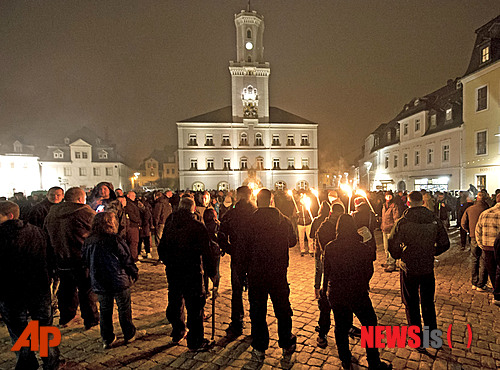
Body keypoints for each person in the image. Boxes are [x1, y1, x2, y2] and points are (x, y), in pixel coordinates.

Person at [323, 214, 391, 370]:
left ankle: (345, 357)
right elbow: (369, 270)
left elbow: (326, 272)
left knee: (341, 325)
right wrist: (363, 282)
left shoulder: (330, 247)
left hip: (337, 293)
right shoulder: (362, 248)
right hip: (357, 292)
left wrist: (325, 289)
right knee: (370, 325)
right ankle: (374, 362)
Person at [0, 201, 60, 369]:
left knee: (19, 329)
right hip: (38, 288)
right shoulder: (37, 231)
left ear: (10, 216)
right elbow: (50, 257)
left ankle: (27, 362)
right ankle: (51, 362)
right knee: (43, 327)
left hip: (10, 291)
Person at [388, 191, 450, 352]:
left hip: (409, 267)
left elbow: (392, 243)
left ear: (408, 202)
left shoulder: (403, 222)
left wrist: (400, 255)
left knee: (411, 303)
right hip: (427, 267)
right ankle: (433, 338)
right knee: (428, 302)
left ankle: (417, 340)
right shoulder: (434, 220)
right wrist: (431, 252)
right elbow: (445, 243)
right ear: (422, 202)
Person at [157, 197, 217, 351]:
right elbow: (207, 252)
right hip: (191, 271)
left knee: (175, 300)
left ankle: (178, 330)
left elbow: (161, 246)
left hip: (173, 270)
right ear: (193, 208)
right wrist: (212, 273)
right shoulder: (196, 225)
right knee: (195, 306)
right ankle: (195, 341)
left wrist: (168, 261)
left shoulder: (171, 221)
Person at [245, 189, 297, 361]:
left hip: (256, 273)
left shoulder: (250, 221)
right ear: (271, 201)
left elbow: (243, 249)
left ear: (257, 201)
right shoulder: (283, 220)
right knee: (282, 309)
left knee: (258, 311)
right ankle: (286, 342)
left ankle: (259, 347)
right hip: (277, 271)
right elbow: (293, 242)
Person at [44, 187, 100, 330]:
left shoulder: (52, 213)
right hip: (81, 258)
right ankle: (91, 319)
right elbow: (98, 231)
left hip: (61, 258)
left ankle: (66, 317)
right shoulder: (85, 212)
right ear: (80, 199)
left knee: (66, 288)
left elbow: (45, 234)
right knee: (86, 290)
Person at [83, 212, 139, 349]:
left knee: (105, 310)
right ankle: (129, 333)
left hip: (100, 280)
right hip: (118, 279)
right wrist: (134, 272)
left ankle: (107, 337)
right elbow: (126, 259)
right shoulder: (115, 239)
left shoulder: (89, 241)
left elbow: (85, 260)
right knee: (124, 308)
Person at [218, 186, 256, 338]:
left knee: (237, 292)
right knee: (254, 292)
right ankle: (256, 324)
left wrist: (229, 249)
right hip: (253, 257)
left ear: (237, 195)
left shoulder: (231, 213)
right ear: (250, 195)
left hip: (239, 256)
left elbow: (221, 234)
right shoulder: (256, 213)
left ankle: (237, 323)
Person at [475, 192, 500, 306]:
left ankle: (496, 291)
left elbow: (477, 231)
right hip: (498, 247)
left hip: (487, 246)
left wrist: (481, 245)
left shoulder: (485, 213)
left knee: (492, 270)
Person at [461, 192, 489, 291]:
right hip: (485, 237)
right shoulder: (487, 209)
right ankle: (481, 283)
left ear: (477, 198)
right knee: (483, 260)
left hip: (473, 237)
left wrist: (469, 231)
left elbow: (463, 223)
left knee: (474, 259)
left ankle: (474, 281)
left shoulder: (470, 209)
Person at [310, 201, 330, 299]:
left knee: (318, 270)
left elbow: (311, 235)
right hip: (329, 249)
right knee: (328, 270)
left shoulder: (316, 220)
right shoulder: (330, 221)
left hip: (319, 249)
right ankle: (327, 289)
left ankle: (317, 292)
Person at [381, 191, 400, 272]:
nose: (388, 197)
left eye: (390, 196)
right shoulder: (384, 206)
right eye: (387, 196)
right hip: (384, 228)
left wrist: (395, 228)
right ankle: (388, 261)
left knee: (390, 247)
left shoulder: (394, 206)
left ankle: (392, 264)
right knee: (386, 247)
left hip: (391, 229)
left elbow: (396, 218)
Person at [124, 191, 141, 262]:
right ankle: (134, 258)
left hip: (133, 225)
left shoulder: (132, 203)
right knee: (134, 242)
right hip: (132, 226)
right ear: (128, 196)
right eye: (133, 195)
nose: (134, 197)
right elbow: (132, 215)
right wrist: (138, 220)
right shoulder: (129, 205)